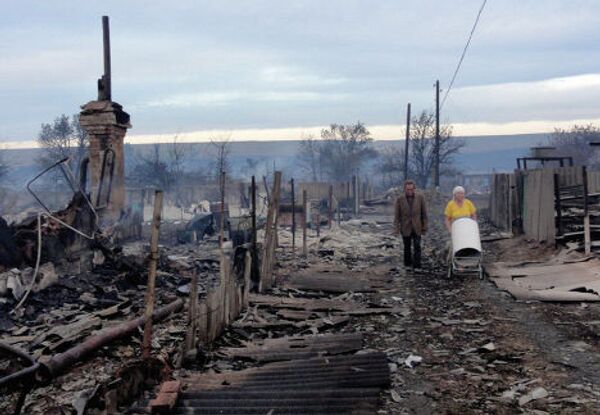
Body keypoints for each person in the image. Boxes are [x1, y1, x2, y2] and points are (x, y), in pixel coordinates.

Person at [393, 180, 428, 270]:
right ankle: (407, 264)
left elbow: (424, 214)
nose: (410, 191)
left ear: (414, 189)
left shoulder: (420, 198)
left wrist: (424, 227)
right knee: (407, 246)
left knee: (417, 246)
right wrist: (396, 229)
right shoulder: (400, 199)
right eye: (408, 189)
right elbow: (397, 216)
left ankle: (417, 265)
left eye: (411, 189)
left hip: (417, 226)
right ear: (404, 189)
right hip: (405, 226)